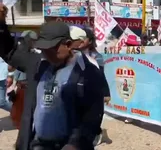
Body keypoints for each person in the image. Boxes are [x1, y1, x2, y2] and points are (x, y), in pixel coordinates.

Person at [6, 21, 105, 150]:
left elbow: (92, 116)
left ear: (68, 44)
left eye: (51, 49)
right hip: (37, 145)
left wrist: (74, 144)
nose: (46, 53)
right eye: (43, 49)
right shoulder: (39, 66)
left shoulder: (88, 72)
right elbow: (8, 51)